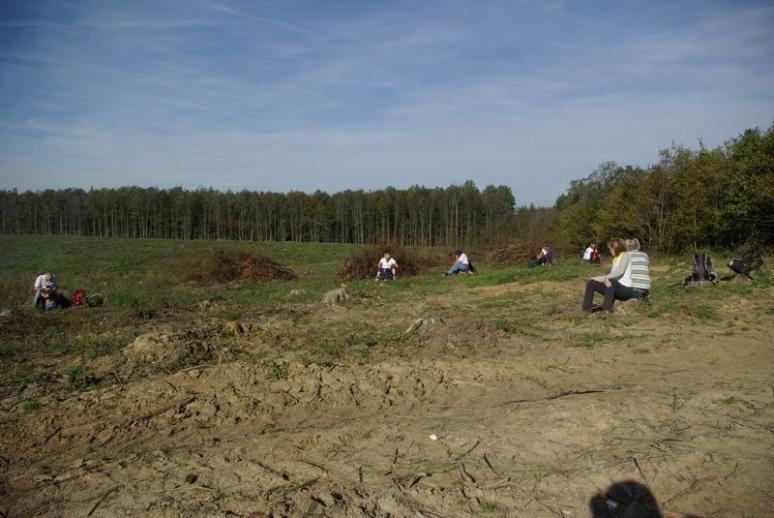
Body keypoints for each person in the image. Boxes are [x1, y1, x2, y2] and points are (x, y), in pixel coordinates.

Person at [582, 238, 650, 314]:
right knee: (592, 282)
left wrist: (606, 278)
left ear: (617, 248)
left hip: (627, 288)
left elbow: (620, 271)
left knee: (610, 281)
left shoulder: (626, 255)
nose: (609, 250)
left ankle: (607, 310)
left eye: (611, 249)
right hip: (621, 287)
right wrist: (597, 279)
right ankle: (587, 308)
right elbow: (612, 274)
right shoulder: (616, 258)